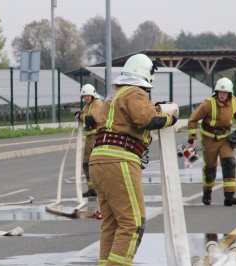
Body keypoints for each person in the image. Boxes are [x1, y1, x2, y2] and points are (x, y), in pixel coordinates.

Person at [89, 53, 178, 265]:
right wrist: (170, 118)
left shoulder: (114, 94)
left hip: (98, 160)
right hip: (119, 161)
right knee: (133, 223)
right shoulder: (135, 93)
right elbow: (147, 119)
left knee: (111, 223)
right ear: (145, 75)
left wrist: (154, 107)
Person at [187, 77, 236, 207]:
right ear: (216, 92)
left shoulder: (234, 101)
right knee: (210, 169)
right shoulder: (208, 103)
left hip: (225, 139)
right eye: (220, 92)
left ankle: (229, 196)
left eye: (224, 93)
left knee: (229, 163)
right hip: (209, 140)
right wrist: (192, 139)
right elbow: (193, 119)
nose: (222, 95)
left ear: (229, 93)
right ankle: (207, 192)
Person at [75, 84, 104, 197]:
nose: (86, 98)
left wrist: (80, 116)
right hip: (89, 138)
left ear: (92, 95)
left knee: (94, 164)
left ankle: (99, 188)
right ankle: (92, 189)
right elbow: (85, 115)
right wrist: (80, 114)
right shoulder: (88, 105)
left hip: (96, 138)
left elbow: (91, 119)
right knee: (86, 164)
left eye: (88, 96)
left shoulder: (97, 104)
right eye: (84, 96)